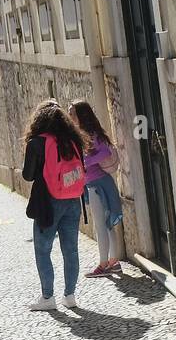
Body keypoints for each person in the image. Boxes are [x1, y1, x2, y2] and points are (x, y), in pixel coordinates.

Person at [21, 100, 87, 310]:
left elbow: (28, 175)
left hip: (48, 202)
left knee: (43, 249)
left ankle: (48, 297)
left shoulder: (37, 142)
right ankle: (70, 295)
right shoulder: (73, 140)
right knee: (71, 250)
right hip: (73, 200)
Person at [71, 100, 124, 277]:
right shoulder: (88, 133)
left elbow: (105, 153)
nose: (70, 116)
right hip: (98, 183)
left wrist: (85, 162)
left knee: (101, 226)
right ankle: (114, 262)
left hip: (97, 184)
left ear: (81, 115)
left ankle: (103, 264)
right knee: (107, 224)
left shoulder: (90, 134)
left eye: (72, 113)